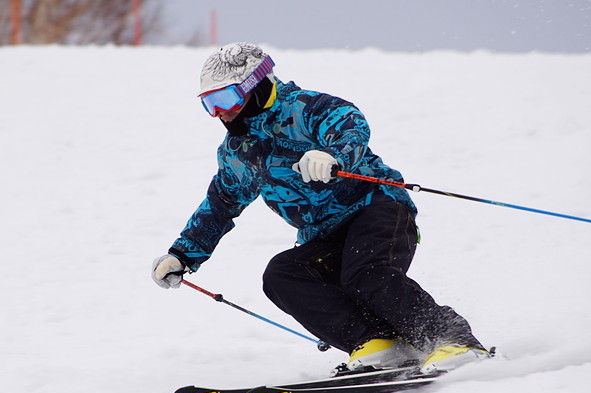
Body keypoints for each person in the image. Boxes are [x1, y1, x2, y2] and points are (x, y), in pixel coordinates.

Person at [152, 42, 491, 374]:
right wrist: (182, 255)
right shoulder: (238, 153)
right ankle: (377, 342)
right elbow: (220, 205)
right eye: (209, 104)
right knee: (283, 275)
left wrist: (334, 155)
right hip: (325, 234)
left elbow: (349, 123)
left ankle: (453, 339)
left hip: (377, 208)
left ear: (254, 87)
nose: (220, 112)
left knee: (364, 273)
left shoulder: (304, 109)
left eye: (226, 98)